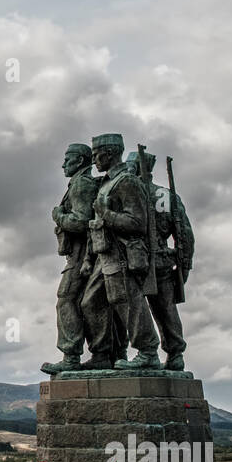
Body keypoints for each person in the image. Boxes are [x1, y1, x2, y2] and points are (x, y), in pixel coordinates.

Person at [75, 133, 160, 370]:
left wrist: (107, 214)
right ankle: (102, 354)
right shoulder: (105, 183)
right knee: (90, 303)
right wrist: (89, 258)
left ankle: (148, 352)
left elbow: (137, 223)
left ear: (110, 153)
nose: (94, 160)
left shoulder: (127, 182)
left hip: (121, 254)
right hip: (103, 255)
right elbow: (95, 225)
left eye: (96, 155)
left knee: (128, 303)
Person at [126, 151, 194, 370]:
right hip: (162, 259)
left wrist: (183, 264)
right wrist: (184, 264)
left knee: (140, 308)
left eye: (130, 166)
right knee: (165, 309)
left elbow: (183, 232)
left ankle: (155, 352)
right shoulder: (166, 195)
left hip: (138, 260)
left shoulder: (133, 195)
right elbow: (184, 234)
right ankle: (174, 352)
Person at [41, 143, 97, 375]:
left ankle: (71, 355)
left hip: (81, 254)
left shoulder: (81, 184)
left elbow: (82, 221)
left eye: (68, 159)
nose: (63, 164)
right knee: (85, 303)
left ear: (81, 161)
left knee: (66, 299)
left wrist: (59, 215)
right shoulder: (79, 183)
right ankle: (96, 353)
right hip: (82, 253)